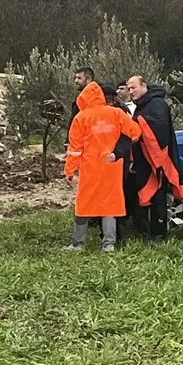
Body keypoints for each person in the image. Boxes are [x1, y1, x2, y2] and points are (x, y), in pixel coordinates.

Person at [63, 81, 142, 252]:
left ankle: (77, 244)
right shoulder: (116, 114)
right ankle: (108, 244)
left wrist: (69, 171)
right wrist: (119, 149)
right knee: (110, 204)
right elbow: (135, 133)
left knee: (84, 205)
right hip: (111, 166)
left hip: (90, 168)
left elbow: (75, 149)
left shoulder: (80, 118)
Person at [126, 75, 183, 241]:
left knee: (158, 197)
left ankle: (159, 235)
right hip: (144, 160)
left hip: (159, 161)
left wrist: (136, 122)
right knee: (146, 196)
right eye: (129, 89)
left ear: (143, 85)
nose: (131, 92)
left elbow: (159, 129)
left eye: (133, 87)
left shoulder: (158, 104)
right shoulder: (142, 105)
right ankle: (147, 232)